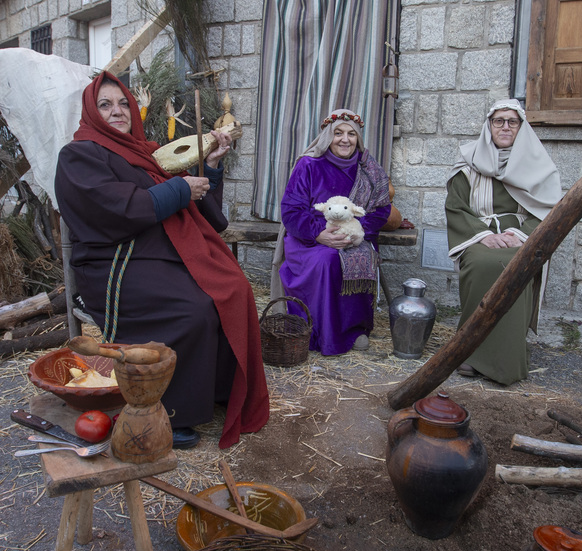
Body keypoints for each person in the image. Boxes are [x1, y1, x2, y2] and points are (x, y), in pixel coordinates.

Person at [54, 72, 269, 450]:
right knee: (193, 309)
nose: (117, 111)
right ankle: (170, 410)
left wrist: (212, 168)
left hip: (160, 252)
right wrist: (178, 190)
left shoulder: (143, 151)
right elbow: (114, 208)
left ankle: (216, 390)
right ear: (91, 111)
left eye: (123, 103)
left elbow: (192, 200)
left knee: (231, 289)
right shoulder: (79, 154)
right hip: (114, 262)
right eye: (105, 105)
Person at [445, 100, 563, 384]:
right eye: (499, 121)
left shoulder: (540, 167)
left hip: (522, 237)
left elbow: (550, 212)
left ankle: (506, 356)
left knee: (516, 266)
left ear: (522, 127)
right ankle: (470, 353)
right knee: (482, 265)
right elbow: (456, 207)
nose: (505, 126)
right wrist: (485, 235)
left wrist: (518, 236)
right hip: (480, 236)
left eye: (512, 121)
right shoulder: (469, 164)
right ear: (489, 125)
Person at [274, 109, 392, 355]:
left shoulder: (369, 170)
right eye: (338, 133)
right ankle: (321, 335)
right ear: (328, 136)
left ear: (358, 139)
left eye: (351, 134)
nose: (345, 139)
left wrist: (356, 232)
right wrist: (319, 233)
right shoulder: (309, 165)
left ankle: (355, 329)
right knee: (327, 260)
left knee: (358, 256)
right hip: (309, 239)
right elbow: (291, 210)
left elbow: (382, 210)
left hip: (353, 236)